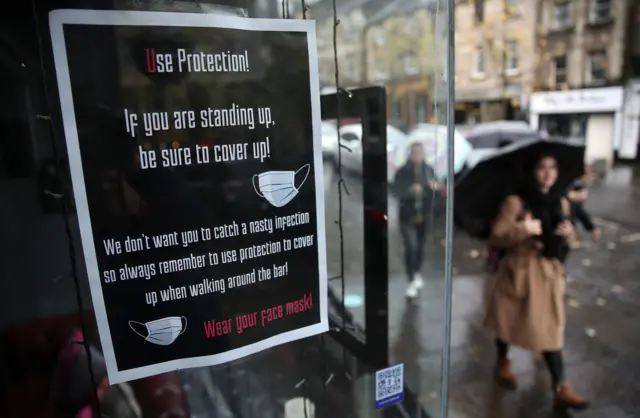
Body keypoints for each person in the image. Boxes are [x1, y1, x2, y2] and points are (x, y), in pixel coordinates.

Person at [483, 154, 590, 410]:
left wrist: (568, 235)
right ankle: (502, 361)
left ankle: (562, 386)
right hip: (519, 273)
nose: (547, 173)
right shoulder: (515, 201)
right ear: (532, 171)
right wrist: (523, 229)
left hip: (548, 275)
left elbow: (566, 238)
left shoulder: (561, 201)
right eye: (541, 167)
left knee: (551, 330)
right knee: (506, 323)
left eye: (552, 167)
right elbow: (497, 236)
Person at [392, 142, 438, 298]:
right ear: (410, 154)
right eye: (414, 153)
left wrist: (434, 188)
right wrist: (410, 190)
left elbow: (436, 193)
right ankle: (411, 279)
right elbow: (396, 191)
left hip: (424, 216)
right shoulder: (402, 171)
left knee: (420, 247)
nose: (417, 156)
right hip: (408, 217)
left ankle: (417, 272)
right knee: (411, 246)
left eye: (420, 153)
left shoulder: (429, 170)